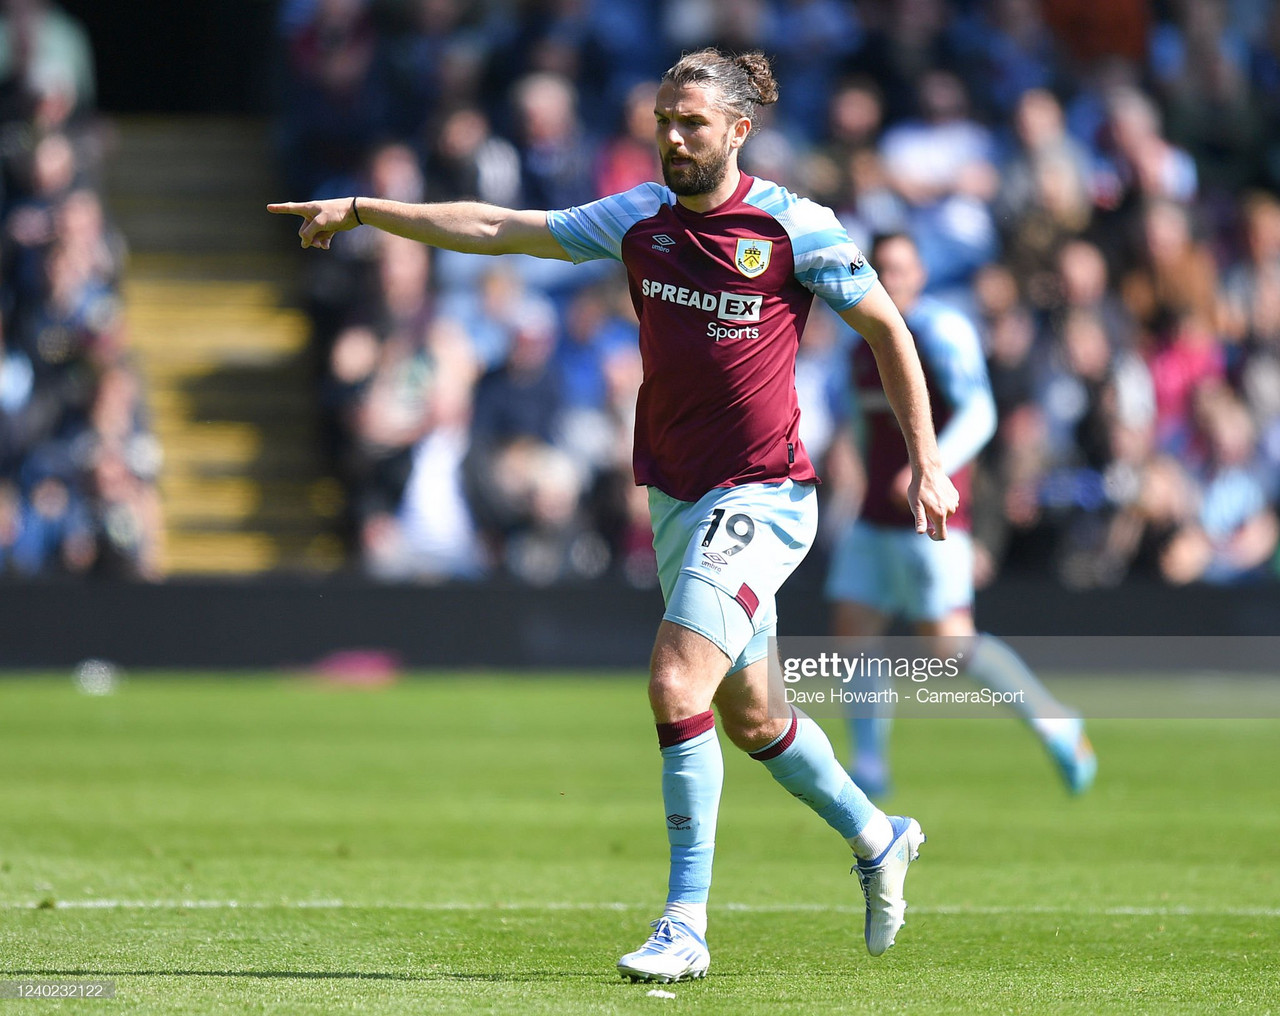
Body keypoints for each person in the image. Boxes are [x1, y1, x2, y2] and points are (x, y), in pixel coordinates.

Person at [269, 48, 958, 984]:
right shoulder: (639, 219)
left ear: (739, 132)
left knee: (677, 683)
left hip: (763, 492)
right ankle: (879, 836)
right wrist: (365, 210)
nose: (674, 137)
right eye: (665, 121)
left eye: (694, 124)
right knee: (755, 718)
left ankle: (685, 924)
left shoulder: (796, 228)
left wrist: (925, 463)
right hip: (677, 495)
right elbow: (496, 225)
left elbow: (887, 328)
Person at [824, 232, 1097, 799]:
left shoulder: (941, 333)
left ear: (920, 274)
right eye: (883, 268)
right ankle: (869, 764)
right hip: (875, 515)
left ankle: (1056, 722)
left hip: (932, 517)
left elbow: (980, 412)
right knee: (852, 630)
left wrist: (932, 466)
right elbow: (857, 422)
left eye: (902, 268)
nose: (892, 279)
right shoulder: (858, 340)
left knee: (949, 645)